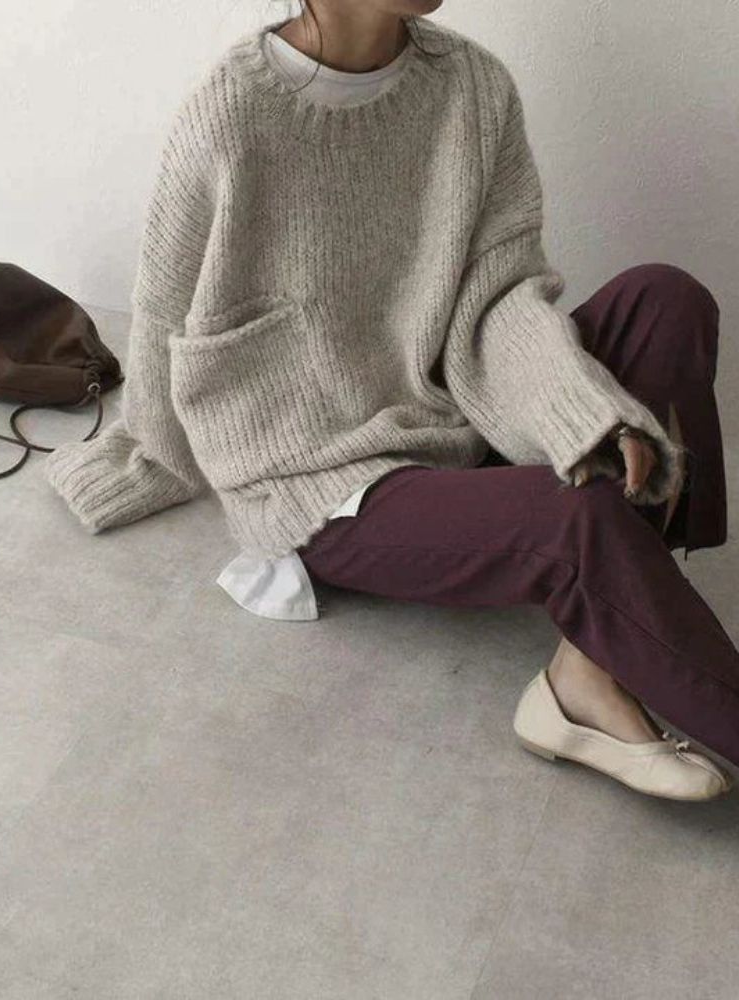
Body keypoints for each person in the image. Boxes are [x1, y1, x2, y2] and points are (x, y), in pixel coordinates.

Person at [44, 1, 736, 800]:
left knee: (665, 300)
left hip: (458, 409)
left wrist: (582, 413)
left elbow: (499, 297)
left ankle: (586, 670)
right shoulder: (231, 114)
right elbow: (164, 310)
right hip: (328, 479)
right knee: (582, 521)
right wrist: (149, 456)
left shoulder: (474, 88)